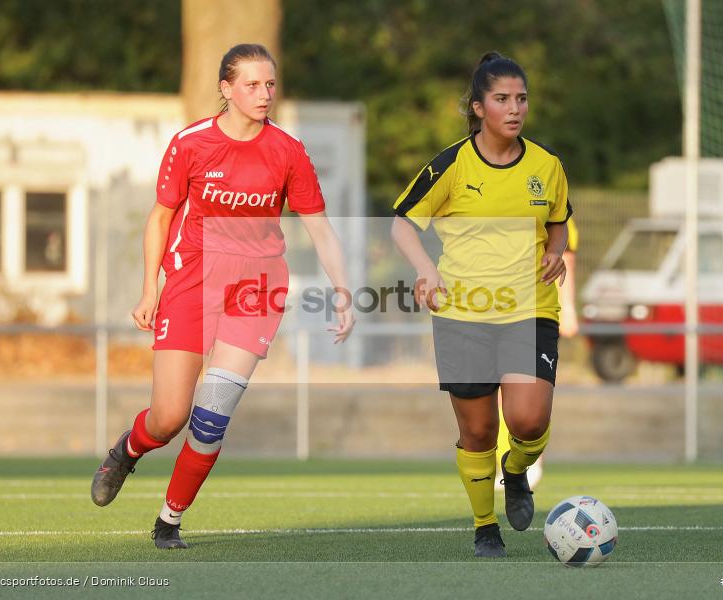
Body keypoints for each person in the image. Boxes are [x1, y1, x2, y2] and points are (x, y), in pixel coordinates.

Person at [91, 43, 354, 549]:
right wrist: (151, 288)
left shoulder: (288, 150)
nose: (264, 94)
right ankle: (127, 450)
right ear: (225, 89)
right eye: (252, 85)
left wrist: (343, 291)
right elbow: (161, 217)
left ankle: (169, 518)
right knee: (169, 417)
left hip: (257, 287)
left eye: (271, 84)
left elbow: (318, 226)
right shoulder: (191, 143)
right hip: (193, 282)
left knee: (211, 417)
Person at [391, 52, 572, 558]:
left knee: (529, 421)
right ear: (478, 107)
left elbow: (559, 219)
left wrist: (556, 251)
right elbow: (402, 223)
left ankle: (515, 471)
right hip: (462, 311)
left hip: (529, 309)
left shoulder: (547, 165)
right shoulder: (451, 164)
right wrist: (426, 268)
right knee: (477, 430)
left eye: (521, 98)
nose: (515, 108)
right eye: (502, 99)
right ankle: (483, 525)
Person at [496, 215, 579, 490]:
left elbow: (566, 252)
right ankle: (503, 463)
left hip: (536, 310)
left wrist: (567, 306)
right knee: (499, 395)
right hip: (493, 307)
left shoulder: (550, 197)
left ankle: (530, 461)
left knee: (531, 397)